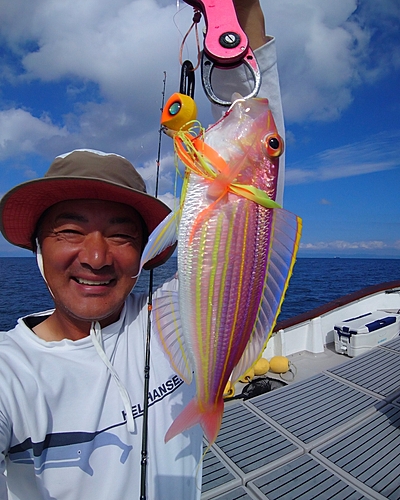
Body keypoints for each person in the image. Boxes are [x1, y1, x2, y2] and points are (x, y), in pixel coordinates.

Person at [0, 1, 284, 498]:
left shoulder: (172, 322)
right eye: (69, 231)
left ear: (146, 250)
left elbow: (256, 133)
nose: (95, 256)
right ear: (38, 249)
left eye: (121, 234)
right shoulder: (11, 374)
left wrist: (239, 14)